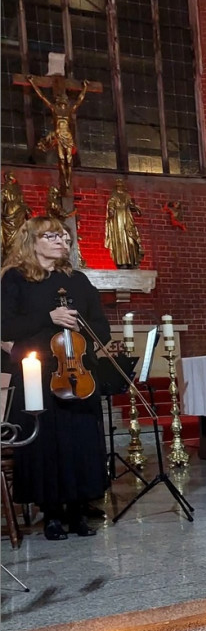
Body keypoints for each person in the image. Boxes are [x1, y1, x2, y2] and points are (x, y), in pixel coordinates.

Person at [0, 216, 110, 539]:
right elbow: (5, 327)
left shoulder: (77, 280)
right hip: (38, 373)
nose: (62, 240)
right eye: (52, 236)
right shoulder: (15, 280)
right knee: (46, 443)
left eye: (64, 236)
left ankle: (77, 512)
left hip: (77, 371)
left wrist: (82, 335)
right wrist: (48, 317)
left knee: (80, 442)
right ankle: (50, 514)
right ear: (32, 242)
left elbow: (100, 327)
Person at [29, 76, 92, 197]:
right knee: (62, 160)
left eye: (64, 102)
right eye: (61, 102)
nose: (62, 104)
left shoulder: (69, 111)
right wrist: (32, 83)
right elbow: (42, 97)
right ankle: (65, 180)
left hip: (67, 136)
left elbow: (79, 100)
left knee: (69, 160)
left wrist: (85, 88)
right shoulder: (55, 110)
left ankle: (68, 181)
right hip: (59, 136)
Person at [104, 178, 143, 268]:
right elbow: (111, 205)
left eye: (121, 184)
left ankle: (132, 261)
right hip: (118, 220)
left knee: (131, 239)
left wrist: (136, 208)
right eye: (118, 185)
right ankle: (122, 262)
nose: (120, 186)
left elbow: (131, 205)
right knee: (120, 240)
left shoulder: (127, 195)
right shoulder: (114, 195)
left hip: (127, 219)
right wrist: (111, 211)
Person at [2, 171, 32, 261]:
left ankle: (18, 253)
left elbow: (22, 200)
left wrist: (26, 209)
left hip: (19, 213)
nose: (13, 177)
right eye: (11, 175)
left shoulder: (17, 188)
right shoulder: (5, 188)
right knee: (9, 235)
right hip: (10, 214)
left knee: (20, 232)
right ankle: (9, 254)